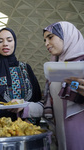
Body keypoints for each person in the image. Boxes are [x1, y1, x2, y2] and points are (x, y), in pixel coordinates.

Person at [43, 21, 84, 150]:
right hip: (61, 136)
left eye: (50, 37)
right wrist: (26, 108)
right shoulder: (53, 67)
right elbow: (50, 102)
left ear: (67, 35)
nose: (46, 44)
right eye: (44, 40)